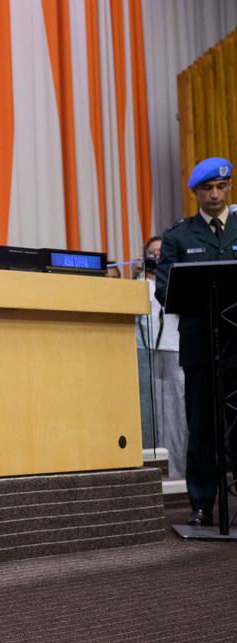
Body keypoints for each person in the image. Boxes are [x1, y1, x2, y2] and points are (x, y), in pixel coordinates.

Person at [155, 156, 235, 527]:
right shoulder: (178, 236)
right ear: (196, 193)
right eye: (207, 188)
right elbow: (165, 291)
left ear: (229, 187)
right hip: (200, 345)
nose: (215, 194)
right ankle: (202, 503)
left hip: (235, 343)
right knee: (202, 426)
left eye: (221, 186)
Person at [135, 235, 186, 479]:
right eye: (152, 253)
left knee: (177, 416)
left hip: (175, 349)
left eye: (160, 252)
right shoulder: (138, 285)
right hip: (145, 353)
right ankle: (152, 473)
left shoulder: (176, 281)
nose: (156, 257)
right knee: (150, 414)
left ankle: (177, 472)